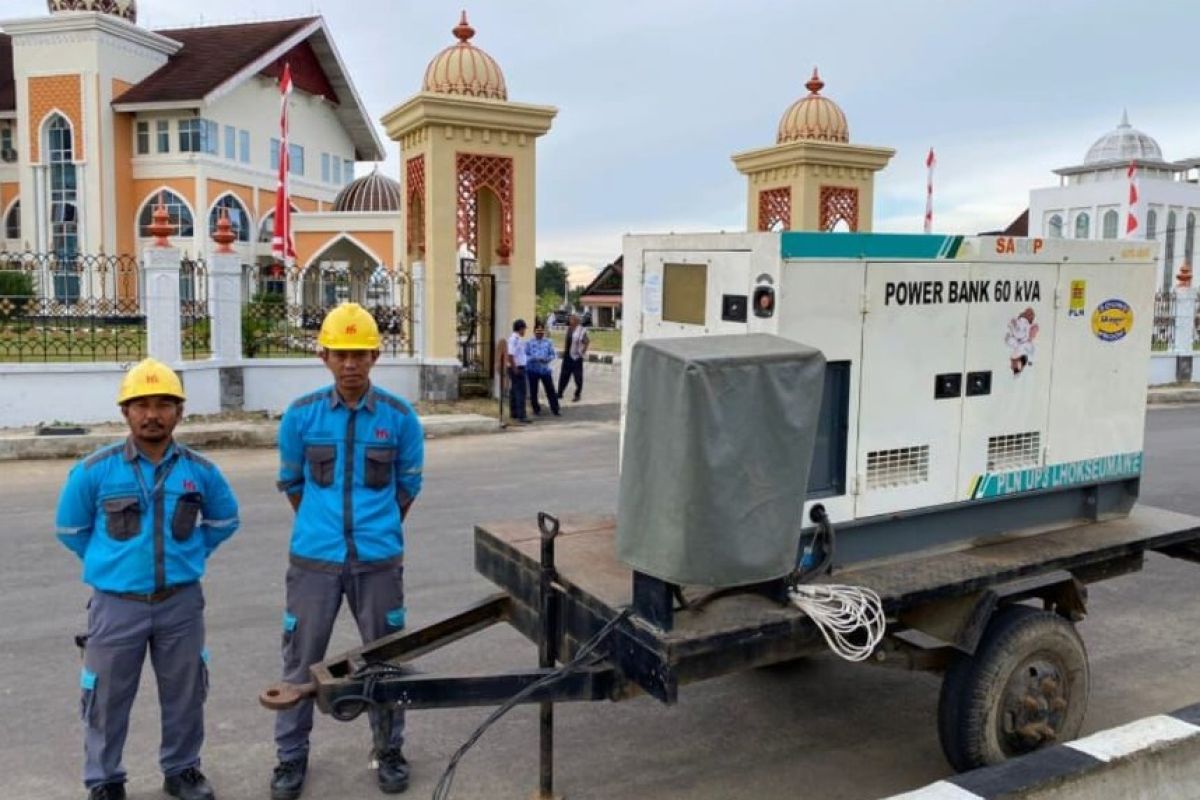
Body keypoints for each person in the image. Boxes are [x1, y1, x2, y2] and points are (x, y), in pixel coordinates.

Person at [55, 358, 240, 800]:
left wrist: (189, 556)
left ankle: (182, 769)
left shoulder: (200, 471)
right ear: (125, 412)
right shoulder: (95, 471)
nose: (152, 414)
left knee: (185, 692)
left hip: (180, 604)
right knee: (105, 699)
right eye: (141, 404)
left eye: (163, 404)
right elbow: (71, 531)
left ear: (180, 412)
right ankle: (104, 779)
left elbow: (225, 520)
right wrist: (111, 564)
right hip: (116, 606)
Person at [270, 302, 424, 799]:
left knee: (384, 660)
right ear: (324, 357)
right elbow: (293, 483)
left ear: (376, 355)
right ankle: (291, 759)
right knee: (301, 661)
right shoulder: (301, 416)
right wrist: (323, 530)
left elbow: (406, 488)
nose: (351, 364)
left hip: (378, 561)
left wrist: (373, 533)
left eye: (360, 354)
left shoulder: (400, 419)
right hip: (314, 561)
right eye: (341, 354)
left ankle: (389, 751)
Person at [525, 321, 560, 416]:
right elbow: (525, 356)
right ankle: (536, 409)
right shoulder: (529, 342)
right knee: (533, 391)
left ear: (543, 331)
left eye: (541, 331)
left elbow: (553, 354)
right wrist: (534, 358)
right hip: (532, 369)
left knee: (550, 390)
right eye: (537, 331)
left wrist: (547, 359)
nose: (539, 333)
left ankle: (555, 409)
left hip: (545, 370)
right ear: (534, 331)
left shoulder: (548, 342)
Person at [557, 313, 589, 402]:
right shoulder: (569, 329)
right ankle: (560, 393)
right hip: (567, 356)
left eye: (571, 319)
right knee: (564, 375)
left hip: (576, 357)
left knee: (578, 377)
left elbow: (586, 342)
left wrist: (582, 352)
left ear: (576, 321)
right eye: (570, 319)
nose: (569, 320)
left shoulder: (581, 330)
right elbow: (567, 342)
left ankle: (577, 394)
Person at [505, 318, 531, 424]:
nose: (524, 331)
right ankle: (521, 415)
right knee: (521, 391)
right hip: (517, 368)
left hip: (516, 367)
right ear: (520, 328)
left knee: (515, 391)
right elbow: (510, 354)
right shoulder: (514, 339)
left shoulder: (517, 338)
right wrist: (515, 368)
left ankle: (514, 412)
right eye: (524, 329)